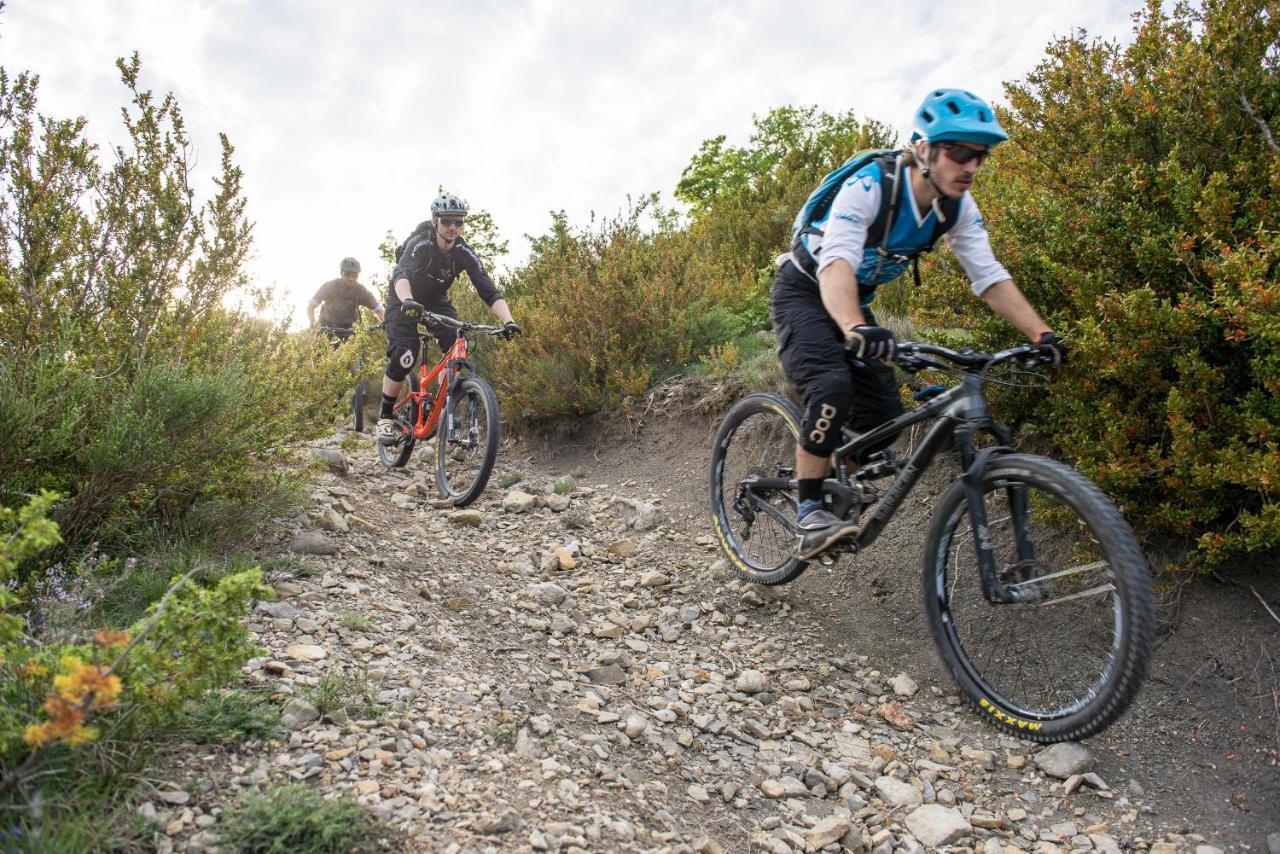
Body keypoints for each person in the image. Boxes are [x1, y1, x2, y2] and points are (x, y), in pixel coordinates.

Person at [772, 88, 1068, 559]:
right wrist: (855, 326)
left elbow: (989, 278)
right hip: (806, 290)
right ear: (924, 148)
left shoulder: (956, 208)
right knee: (829, 387)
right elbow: (836, 264)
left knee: (885, 417)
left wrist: (1041, 333)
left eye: (980, 156)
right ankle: (809, 510)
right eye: (960, 152)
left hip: (853, 303)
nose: (971, 166)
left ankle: (833, 471)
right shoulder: (871, 187)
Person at [376, 193, 520, 445]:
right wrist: (409, 301)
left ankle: (444, 408)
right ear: (435, 222)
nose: (452, 227)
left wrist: (509, 321)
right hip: (404, 297)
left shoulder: (463, 252)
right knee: (404, 354)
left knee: (456, 349)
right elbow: (402, 274)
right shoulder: (420, 244)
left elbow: (488, 290)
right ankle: (385, 417)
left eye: (458, 222)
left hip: (436, 300)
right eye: (446, 222)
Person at [307, 257, 385, 343]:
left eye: (354, 275)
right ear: (341, 273)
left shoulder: (361, 291)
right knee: (318, 351)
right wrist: (312, 324)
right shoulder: (329, 286)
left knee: (355, 351)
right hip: (326, 325)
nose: (351, 278)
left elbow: (379, 310)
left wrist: (386, 323)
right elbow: (311, 306)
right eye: (347, 274)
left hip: (347, 329)